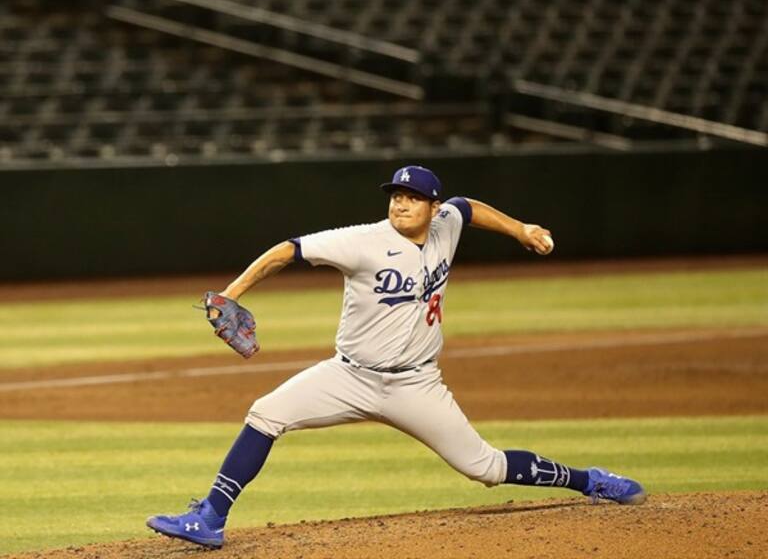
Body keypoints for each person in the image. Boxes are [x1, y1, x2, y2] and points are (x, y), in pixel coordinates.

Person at [147, 166, 646, 549]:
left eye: (411, 199)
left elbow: (467, 206)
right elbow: (287, 250)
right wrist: (233, 293)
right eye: (396, 197)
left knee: (486, 468)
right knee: (265, 413)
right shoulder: (362, 241)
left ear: (431, 206)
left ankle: (590, 481)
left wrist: (520, 230)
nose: (401, 205)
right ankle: (211, 517)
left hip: (416, 385)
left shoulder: (446, 223)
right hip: (349, 375)